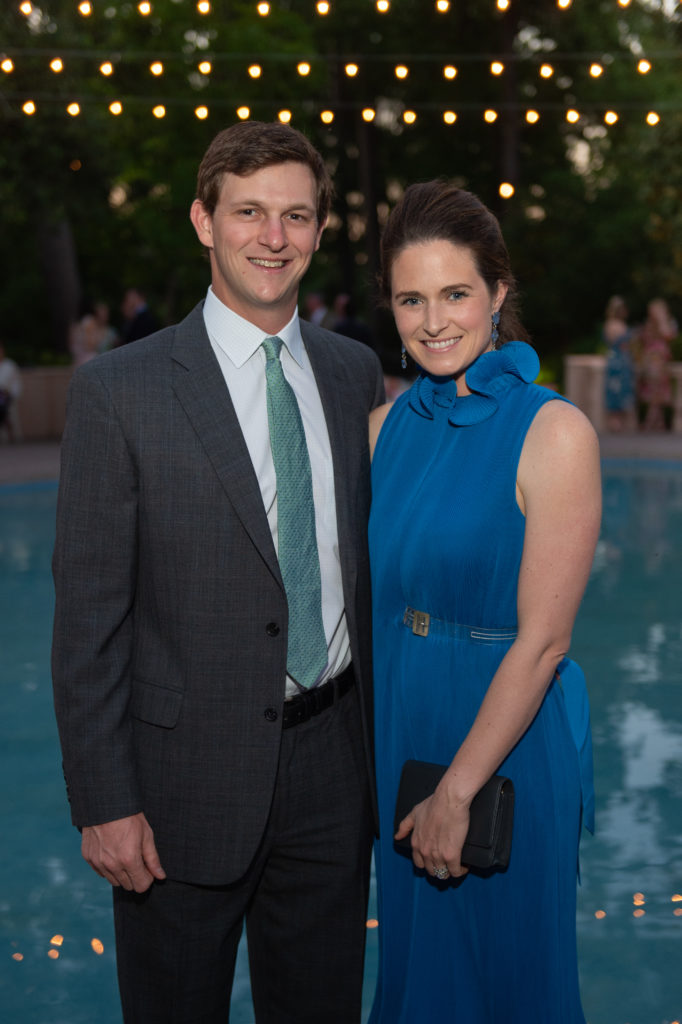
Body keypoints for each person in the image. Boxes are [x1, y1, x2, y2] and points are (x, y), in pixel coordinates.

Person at [52, 120, 385, 1024]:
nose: (273, 237)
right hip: (177, 787)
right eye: (249, 212)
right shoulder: (119, 391)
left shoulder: (355, 375)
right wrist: (104, 801)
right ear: (204, 221)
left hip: (333, 771)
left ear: (319, 231)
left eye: (296, 216)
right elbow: (88, 621)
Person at [367, 181, 601, 1022]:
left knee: (506, 985)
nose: (434, 322)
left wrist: (457, 793)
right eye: (411, 300)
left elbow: (544, 641)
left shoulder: (554, 432)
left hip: (505, 748)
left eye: (456, 293)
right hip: (405, 729)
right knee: (416, 983)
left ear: (498, 292)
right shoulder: (384, 430)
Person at [636, 297, 677, 432]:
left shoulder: (667, 323)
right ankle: (656, 422)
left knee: (658, 391)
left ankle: (653, 422)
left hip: (660, 361)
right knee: (654, 391)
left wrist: (662, 320)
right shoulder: (650, 324)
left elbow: (669, 336)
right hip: (652, 360)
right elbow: (644, 339)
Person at [603, 295, 636, 432]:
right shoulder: (612, 324)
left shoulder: (613, 324)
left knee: (622, 389)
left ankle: (619, 422)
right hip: (618, 360)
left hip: (621, 360)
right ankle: (614, 422)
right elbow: (616, 342)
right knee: (615, 389)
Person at [0, 341, 23, 442]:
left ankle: (9, 432)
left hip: (7, 396)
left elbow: (7, 384)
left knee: (2, 407)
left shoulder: (9, 365)